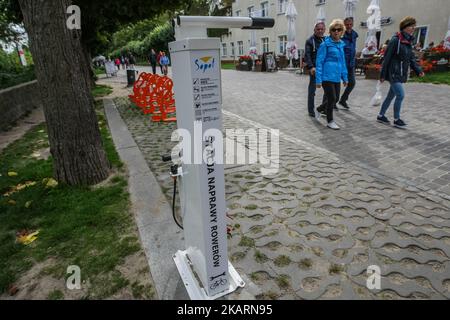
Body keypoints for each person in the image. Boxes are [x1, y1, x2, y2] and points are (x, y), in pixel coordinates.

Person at [377, 16, 425, 129]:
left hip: (401, 72)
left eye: (414, 26)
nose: (413, 28)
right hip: (394, 72)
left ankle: (380, 115)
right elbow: (387, 58)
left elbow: (411, 58)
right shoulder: (395, 40)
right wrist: (382, 75)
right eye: (411, 26)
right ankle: (397, 119)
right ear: (404, 27)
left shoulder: (408, 41)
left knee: (390, 96)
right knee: (401, 95)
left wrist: (418, 71)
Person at [315, 19, 348, 130]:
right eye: (334, 29)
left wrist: (345, 77)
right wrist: (318, 80)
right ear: (330, 31)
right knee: (332, 98)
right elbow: (319, 62)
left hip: (336, 77)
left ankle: (320, 109)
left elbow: (342, 63)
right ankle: (330, 121)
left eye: (339, 30)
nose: (336, 32)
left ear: (342, 31)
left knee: (336, 99)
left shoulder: (341, 45)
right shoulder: (325, 45)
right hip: (326, 76)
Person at [304, 21, 326, 118]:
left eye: (322, 29)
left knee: (329, 90)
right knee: (312, 91)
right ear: (314, 30)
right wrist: (311, 67)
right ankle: (311, 110)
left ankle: (324, 108)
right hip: (315, 69)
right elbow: (307, 55)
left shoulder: (326, 40)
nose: (320, 31)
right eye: (318, 29)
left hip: (325, 68)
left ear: (324, 30)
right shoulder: (310, 41)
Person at [338, 17, 359, 110]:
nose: (349, 26)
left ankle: (343, 100)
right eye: (347, 24)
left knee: (352, 83)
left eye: (350, 24)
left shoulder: (354, 35)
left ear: (353, 24)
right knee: (335, 84)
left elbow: (353, 48)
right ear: (344, 25)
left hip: (351, 64)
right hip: (341, 63)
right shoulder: (340, 35)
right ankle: (330, 102)